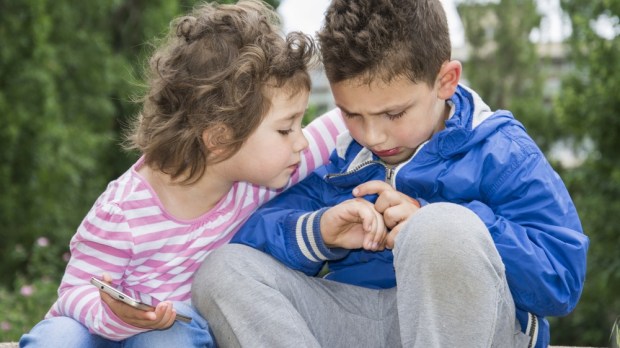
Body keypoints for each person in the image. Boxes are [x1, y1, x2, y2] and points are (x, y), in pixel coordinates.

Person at [191, 0, 589, 347]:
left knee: (440, 227)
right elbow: (254, 237)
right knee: (223, 270)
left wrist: (432, 217)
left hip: (469, 326)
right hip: (358, 317)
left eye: (393, 113)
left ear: (445, 81)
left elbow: (560, 282)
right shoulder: (346, 156)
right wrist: (321, 232)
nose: (374, 135)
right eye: (352, 114)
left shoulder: (501, 150)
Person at [19, 1, 346, 347]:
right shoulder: (124, 212)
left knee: (169, 335)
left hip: (171, 333)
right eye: (286, 129)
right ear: (220, 138)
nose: (302, 141)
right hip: (95, 331)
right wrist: (114, 316)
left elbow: (346, 119)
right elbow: (74, 290)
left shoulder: (256, 180)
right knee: (59, 337)